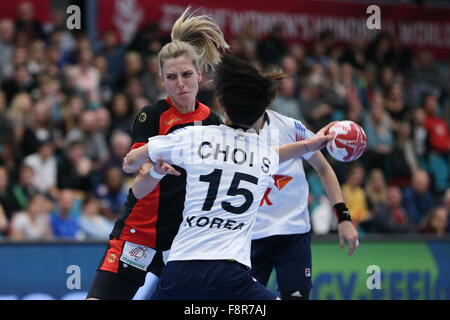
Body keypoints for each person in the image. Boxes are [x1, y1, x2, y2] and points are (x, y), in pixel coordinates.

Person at [124, 54, 357, 300]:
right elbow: (274, 155)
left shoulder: (195, 137)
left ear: (223, 105)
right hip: (234, 264)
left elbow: (130, 162)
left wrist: (149, 166)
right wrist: (308, 146)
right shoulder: (263, 156)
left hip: (187, 263)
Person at [86, 8, 228, 300]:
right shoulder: (151, 116)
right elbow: (135, 176)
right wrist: (156, 170)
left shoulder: (214, 122)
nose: (180, 83)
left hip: (183, 243)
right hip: (139, 234)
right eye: (171, 76)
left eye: (187, 74)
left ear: (200, 74)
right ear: (162, 80)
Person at [248, 106, 359, 300]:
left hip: (293, 233)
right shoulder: (227, 132)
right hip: (249, 236)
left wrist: (343, 218)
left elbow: (324, 169)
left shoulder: (291, 127)